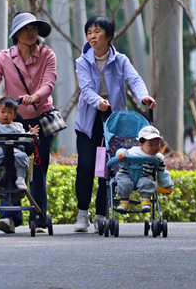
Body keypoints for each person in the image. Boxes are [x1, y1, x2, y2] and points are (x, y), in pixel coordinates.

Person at [74, 15, 154, 233]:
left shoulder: (121, 60)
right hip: (89, 119)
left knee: (108, 169)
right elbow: (86, 88)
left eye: (97, 31)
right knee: (87, 166)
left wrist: (144, 97)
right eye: (89, 31)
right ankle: (82, 214)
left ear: (109, 36)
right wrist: (97, 101)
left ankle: (101, 214)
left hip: (114, 120)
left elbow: (134, 79)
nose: (92, 36)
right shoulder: (82, 61)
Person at [0, 11, 57, 234]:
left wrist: (36, 96)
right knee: (9, 164)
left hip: (40, 117)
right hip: (14, 120)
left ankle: (40, 217)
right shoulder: (4, 56)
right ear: (16, 34)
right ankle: (9, 217)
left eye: (34, 28)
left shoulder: (47, 54)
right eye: (26, 29)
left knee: (37, 168)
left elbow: (49, 82)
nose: (32, 32)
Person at [0, 97, 40, 198]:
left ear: (14, 115)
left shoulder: (18, 127)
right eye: (3, 112)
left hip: (15, 150)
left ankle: (20, 178)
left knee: (22, 157)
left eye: (9, 112)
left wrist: (30, 134)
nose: (5, 115)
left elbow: (23, 139)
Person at [114, 125, 165, 213]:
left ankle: (145, 200)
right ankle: (124, 201)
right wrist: (120, 154)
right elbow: (123, 151)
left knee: (148, 182)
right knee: (123, 182)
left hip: (144, 177)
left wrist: (166, 184)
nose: (155, 147)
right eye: (151, 145)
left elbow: (162, 172)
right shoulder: (133, 152)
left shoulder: (158, 158)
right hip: (127, 175)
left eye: (157, 144)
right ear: (141, 145)